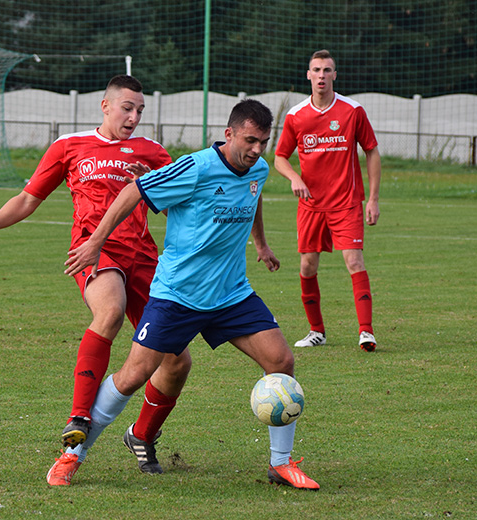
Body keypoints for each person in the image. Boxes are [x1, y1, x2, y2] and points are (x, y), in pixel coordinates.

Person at [61, 99, 320, 490]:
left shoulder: (259, 168)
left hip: (232, 294)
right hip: (178, 295)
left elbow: (253, 195)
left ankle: (280, 464)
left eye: (263, 142)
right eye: (250, 140)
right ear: (229, 133)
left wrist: (261, 244)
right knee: (133, 376)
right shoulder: (195, 167)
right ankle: (72, 455)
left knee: (281, 360)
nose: (256, 150)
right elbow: (135, 189)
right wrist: (97, 242)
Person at [0, 75, 193, 485]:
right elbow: (29, 198)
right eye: (127, 108)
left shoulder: (153, 153)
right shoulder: (69, 146)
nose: (134, 117)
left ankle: (142, 435)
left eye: (140, 111)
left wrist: (156, 185)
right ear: (105, 105)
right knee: (110, 310)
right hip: (94, 251)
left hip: (146, 259)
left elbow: (182, 213)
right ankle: (79, 416)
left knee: (176, 361)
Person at [274, 49, 381, 352]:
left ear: (335, 75)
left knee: (354, 259)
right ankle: (316, 330)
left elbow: (371, 150)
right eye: (316, 70)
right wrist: (295, 177)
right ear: (308, 75)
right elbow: (279, 157)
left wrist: (372, 198)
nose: (321, 75)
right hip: (310, 205)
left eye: (327, 70)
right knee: (307, 266)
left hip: (346, 202)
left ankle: (366, 331)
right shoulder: (296, 115)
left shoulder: (352, 111)